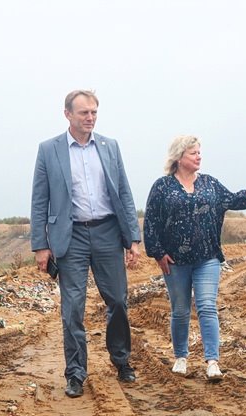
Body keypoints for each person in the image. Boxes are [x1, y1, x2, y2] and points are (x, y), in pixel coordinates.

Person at [30, 90, 142, 398]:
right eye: (84, 113)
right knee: (73, 309)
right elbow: (40, 200)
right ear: (68, 114)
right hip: (71, 237)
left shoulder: (110, 147)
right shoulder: (48, 150)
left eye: (94, 112)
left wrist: (133, 237)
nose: (90, 117)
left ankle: (121, 361)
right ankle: (75, 373)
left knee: (118, 301)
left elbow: (124, 193)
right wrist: (41, 244)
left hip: (107, 232)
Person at [143, 135, 246, 380]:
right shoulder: (162, 186)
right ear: (179, 157)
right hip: (175, 261)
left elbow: (234, 200)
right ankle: (181, 357)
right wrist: (157, 253)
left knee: (207, 307)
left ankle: (212, 362)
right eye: (193, 153)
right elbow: (152, 222)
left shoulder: (209, 184)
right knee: (180, 310)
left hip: (207, 257)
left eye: (199, 152)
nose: (199, 156)